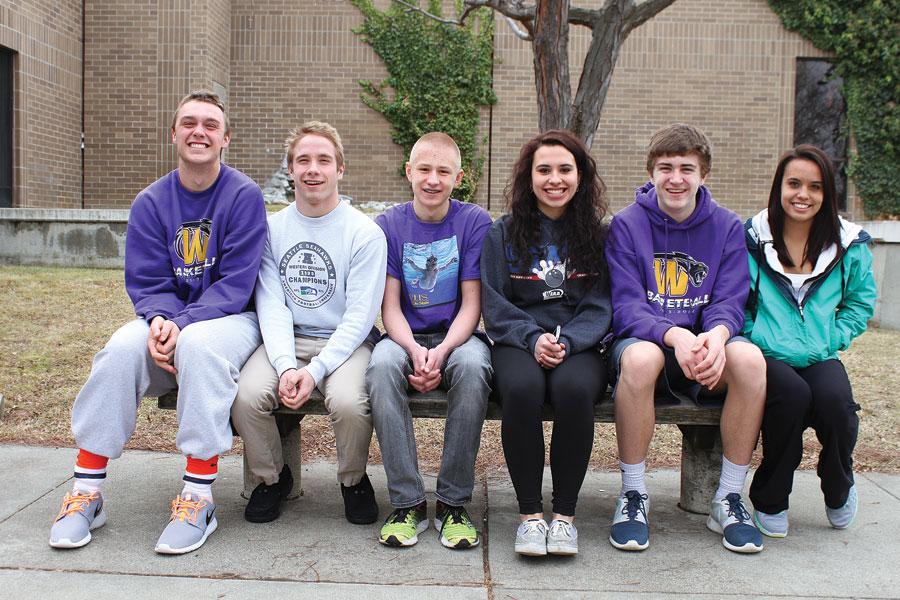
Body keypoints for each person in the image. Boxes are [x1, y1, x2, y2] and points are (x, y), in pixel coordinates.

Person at [48, 91, 267, 554]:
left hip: (232, 320)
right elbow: (146, 280)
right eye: (189, 123)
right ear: (174, 133)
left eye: (210, 125)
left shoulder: (244, 196)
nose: (199, 132)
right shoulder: (150, 201)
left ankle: (198, 497)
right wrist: (161, 321)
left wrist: (181, 324)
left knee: (199, 346)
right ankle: (87, 491)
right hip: (167, 320)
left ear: (226, 138)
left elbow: (237, 283)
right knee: (119, 351)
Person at [605, 123, 766, 554]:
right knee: (641, 359)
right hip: (649, 342)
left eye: (687, 168)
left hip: (704, 345)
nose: (676, 178)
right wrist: (674, 335)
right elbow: (626, 307)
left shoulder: (729, 227)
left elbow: (731, 298)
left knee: (750, 362)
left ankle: (729, 497)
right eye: (665, 167)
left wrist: (716, 335)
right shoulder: (626, 224)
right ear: (651, 172)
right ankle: (634, 494)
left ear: (703, 174)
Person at [232, 121, 387, 526]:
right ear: (291, 170)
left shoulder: (365, 233)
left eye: (323, 160)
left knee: (351, 402)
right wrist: (285, 366)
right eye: (303, 160)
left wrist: (316, 369)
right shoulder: (271, 229)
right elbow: (272, 303)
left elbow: (359, 316)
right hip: (288, 338)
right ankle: (272, 479)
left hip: (348, 342)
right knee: (247, 396)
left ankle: (353, 481)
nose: (313, 169)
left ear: (341, 169)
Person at [481, 129, 612, 557]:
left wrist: (569, 341)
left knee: (573, 391)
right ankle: (530, 517)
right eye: (544, 170)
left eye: (564, 169)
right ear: (528, 176)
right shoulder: (502, 234)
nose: (554, 179)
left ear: (580, 176)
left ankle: (566, 518)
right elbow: (494, 301)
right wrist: (532, 338)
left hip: (578, 345)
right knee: (522, 390)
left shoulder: (598, 234)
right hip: (518, 343)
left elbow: (601, 304)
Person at [366, 132, 493, 549]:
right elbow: (390, 307)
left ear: (458, 177)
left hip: (458, 336)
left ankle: (454, 502)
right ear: (409, 172)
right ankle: (408, 503)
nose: (433, 179)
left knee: (474, 367)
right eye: (424, 169)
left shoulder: (474, 222)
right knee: (382, 365)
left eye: (443, 171)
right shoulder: (388, 225)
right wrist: (414, 349)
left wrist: (440, 352)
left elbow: (472, 303)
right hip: (404, 334)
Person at [745, 145, 876, 537]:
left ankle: (838, 486)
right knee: (792, 398)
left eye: (815, 187)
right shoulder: (751, 238)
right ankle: (771, 499)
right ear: (779, 188)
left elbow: (859, 303)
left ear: (827, 193)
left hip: (819, 353)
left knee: (837, 404)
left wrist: (831, 337)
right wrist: (757, 337)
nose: (803, 194)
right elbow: (737, 300)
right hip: (767, 353)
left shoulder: (848, 243)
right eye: (794, 184)